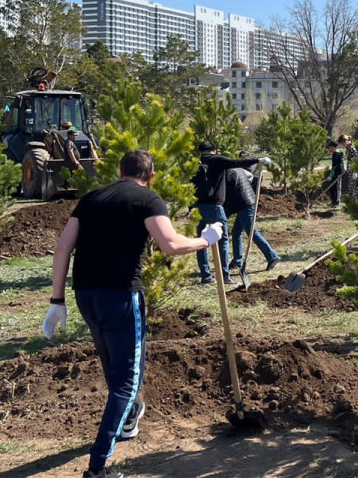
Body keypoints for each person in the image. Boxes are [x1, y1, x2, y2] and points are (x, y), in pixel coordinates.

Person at [42, 150, 224, 478]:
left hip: (85, 295)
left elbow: (63, 248)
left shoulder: (91, 199)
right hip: (122, 297)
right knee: (127, 382)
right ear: (150, 176)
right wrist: (204, 240)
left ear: (120, 171)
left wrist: (57, 299)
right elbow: (169, 244)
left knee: (114, 367)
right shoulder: (148, 200)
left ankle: (126, 420)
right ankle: (97, 468)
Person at [191, 141, 258, 284]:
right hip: (215, 206)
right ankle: (225, 276)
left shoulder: (195, 164)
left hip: (198, 207)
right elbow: (236, 162)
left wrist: (190, 207)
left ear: (200, 151)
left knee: (201, 241)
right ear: (214, 150)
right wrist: (257, 160)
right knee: (223, 240)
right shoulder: (217, 160)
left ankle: (206, 276)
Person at [223, 166, 281, 274]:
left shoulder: (224, 175)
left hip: (245, 204)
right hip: (246, 201)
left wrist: (225, 214)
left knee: (252, 232)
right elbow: (249, 176)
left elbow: (227, 198)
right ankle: (237, 261)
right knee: (236, 232)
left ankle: (272, 257)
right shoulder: (234, 169)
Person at [326, 139, 346, 208]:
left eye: (332, 148)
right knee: (333, 187)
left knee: (337, 187)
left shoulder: (337, 154)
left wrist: (331, 175)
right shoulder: (335, 154)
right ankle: (333, 201)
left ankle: (336, 202)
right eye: (330, 148)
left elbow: (335, 166)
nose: (330, 149)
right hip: (335, 172)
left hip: (338, 173)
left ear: (336, 147)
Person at [341, 134, 358, 203]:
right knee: (351, 188)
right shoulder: (348, 148)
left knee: (355, 188)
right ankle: (352, 204)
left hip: (354, 171)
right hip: (350, 171)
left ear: (346, 141)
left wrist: (355, 171)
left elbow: (356, 160)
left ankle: (356, 204)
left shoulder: (352, 148)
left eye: (343, 143)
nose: (343, 145)